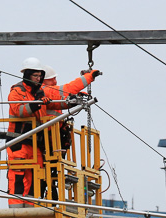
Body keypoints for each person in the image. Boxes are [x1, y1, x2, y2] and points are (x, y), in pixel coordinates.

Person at [7, 57, 101, 205]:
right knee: (18, 176)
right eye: (35, 76)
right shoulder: (17, 91)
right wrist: (36, 105)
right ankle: (16, 209)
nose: (38, 78)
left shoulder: (40, 92)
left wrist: (74, 98)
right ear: (27, 75)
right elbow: (18, 110)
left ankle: (31, 207)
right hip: (19, 142)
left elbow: (60, 97)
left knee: (36, 175)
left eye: (40, 76)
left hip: (35, 144)